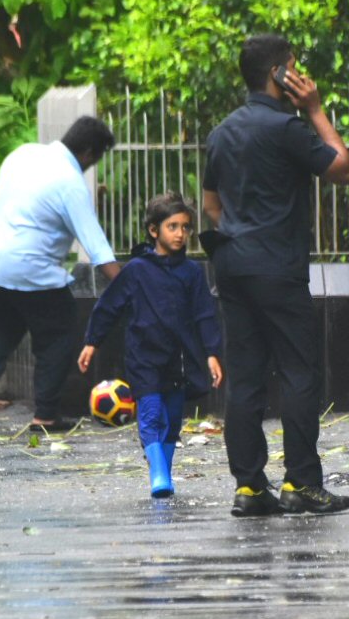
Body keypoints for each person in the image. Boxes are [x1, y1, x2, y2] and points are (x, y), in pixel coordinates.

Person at [202, 34, 349, 516]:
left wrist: (242, 235)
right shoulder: (287, 127)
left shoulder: (222, 132)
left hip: (232, 264)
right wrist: (314, 107)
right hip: (277, 268)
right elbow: (343, 168)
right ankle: (302, 484)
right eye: (293, 67)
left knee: (245, 378)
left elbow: (211, 205)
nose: (299, 74)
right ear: (278, 74)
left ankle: (249, 488)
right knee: (296, 372)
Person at [0, 116, 120, 432]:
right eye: (96, 158)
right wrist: (133, 284)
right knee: (57, 334)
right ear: (88, 152)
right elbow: (99, 250)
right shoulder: (70, 182)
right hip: (29, 269)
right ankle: (45, 415)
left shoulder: (24, 154)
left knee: (1, 328)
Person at [78, 193, 223, 498]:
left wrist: (211, 352)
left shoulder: (193, 273)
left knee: (171, 421)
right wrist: (92, 341)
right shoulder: (137, 270)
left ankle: (164, 472)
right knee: (151, 414)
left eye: (185, 227)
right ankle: (158, 474)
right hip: (144, 358)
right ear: (154, 230)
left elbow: (205, 314)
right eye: (172, 226)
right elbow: (109, 305)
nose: (180, 234)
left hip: (179, 359)